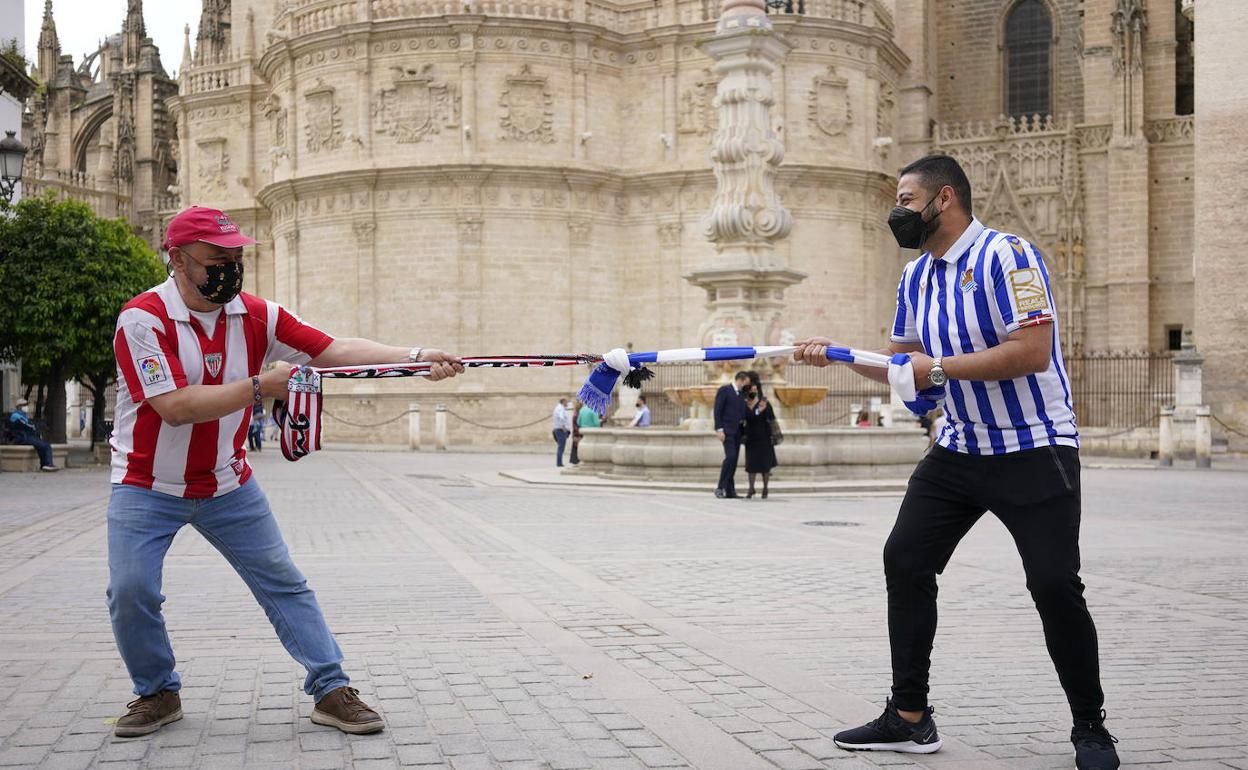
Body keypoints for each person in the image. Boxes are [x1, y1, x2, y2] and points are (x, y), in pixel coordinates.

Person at [795, 154, 1119, 770]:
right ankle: (909, 717)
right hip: (962, 444)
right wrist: (836, 355)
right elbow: (905, 372)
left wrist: (936, 368)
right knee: (906, 559)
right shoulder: (915, 278)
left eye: (907, 199)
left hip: (1034, 444)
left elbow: (1031, 351)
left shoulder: (1010, 256)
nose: (898, 211)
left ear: (945, 199)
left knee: (1054, 585)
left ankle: (1090, 727)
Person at [106, 206, 464, 739]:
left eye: (236, 256)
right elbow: (175, 407)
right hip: (146, 483)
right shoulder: (143, 319)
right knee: (131, 589)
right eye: (215, 258)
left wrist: (413, 355)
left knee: (284, 583)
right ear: (177, 259)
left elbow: (333, 349)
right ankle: (157, 690)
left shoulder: (256, 315)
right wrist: (260, 387)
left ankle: (331, 687)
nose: (229, 266)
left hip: (228, 482)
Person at [712, 372, 750, 498]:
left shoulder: (742, 394)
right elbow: (718, 410)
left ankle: (730, 490)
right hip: (727, 431)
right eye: (746, 382)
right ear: (741, 380)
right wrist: (719, 429)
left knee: (733, 460)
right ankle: (720, 487)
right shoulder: (725, 390)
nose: (747, 385)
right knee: (731, 457)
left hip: (738, 432)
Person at [741, 385, 777, 498]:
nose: (753, 392)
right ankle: (751, 488)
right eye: (751, 390)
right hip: (751, 439)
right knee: (751, 465)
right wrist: (758, 411)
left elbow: (771, 419)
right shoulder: (744, 404)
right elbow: (745, 417)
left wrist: (764, 410)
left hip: (764, 438)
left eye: (755, 390)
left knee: (765, 465)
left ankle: (765, 488)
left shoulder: (764, 403)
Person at [7, 398, 59, 471]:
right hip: (22, 437)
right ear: (19, 407)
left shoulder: (23, 415)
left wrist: (34, 429)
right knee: (46, 445)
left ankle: (44, 464)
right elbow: (28, 426)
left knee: (42, 445)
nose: (26, 406)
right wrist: (34, 428)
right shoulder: (16, 416)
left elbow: (30, 426)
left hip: (25, 436)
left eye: (26, 405)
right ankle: (48, 464)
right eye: (24, 405)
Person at [551, 397, 572, 467]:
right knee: (561, 447)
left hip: (559, 429)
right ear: (563, 402)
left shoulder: (560, 408)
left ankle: (559, 462)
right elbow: (561, 417)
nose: (567, 403)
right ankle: (559, 463)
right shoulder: (560, 409)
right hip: (560, 430)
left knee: (561, 447)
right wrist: (563, 427)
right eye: (566, 402)